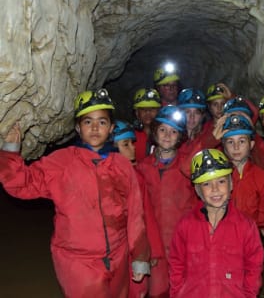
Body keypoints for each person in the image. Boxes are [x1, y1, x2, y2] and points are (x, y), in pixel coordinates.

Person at [0, 89, 150, 297]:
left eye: (102, 122)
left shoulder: (122, 166)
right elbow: (22, 184)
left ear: (111, 128)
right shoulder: (61, 162)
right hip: (78, 261)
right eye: (88, 122)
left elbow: (135, 215)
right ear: (78, 128)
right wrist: (10, 150)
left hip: (118, 256)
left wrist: (139, 256)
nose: (95, 128)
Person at [169, 148, 264, 297]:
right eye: (206, 184)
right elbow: (176, 264)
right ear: (198, 190)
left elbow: (254, 266)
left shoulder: (245, 226)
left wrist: (248, 294)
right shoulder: (185, 225)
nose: (215, 189)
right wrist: (177, 293)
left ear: (231, 184)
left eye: (221, 181)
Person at [136, 105, 198, 297]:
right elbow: (139, 211)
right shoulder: (143, 167)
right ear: (154, 132)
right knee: (158, 290)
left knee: (185, 288)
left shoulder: (188, 165)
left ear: (180, 137)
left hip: (184, 241)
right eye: (162, 130)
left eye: (173, 131)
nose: (167, 135)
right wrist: (147, 248)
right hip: (156, 244)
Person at [112, 120, 164, 298]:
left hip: (136, 247)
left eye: (132, 143)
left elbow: (147, 215)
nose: (133, 148)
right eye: (125, 144)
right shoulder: (101, 178)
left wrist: (153, 251)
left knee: (138, 290)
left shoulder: (137, 178)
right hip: (113, 249)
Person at [218, 114, 264, 230]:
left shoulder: (261, 177)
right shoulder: (218, 176)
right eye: (230, 142)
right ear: (223, 146)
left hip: (251, 238)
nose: (236, 147)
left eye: (242, 141)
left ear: (251, 145)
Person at [132, 88, 162, 162]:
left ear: (159, 111)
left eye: (152, 108)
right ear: (137, 112)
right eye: (143, 109)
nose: (148, 112)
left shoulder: (166, 134)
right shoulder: (130, 137)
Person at [177, 87, 208, 155]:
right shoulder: (172, 139)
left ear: (202, 116)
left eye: (197, 113)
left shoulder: (206, 137)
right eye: (187, 112)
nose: (192, 117)